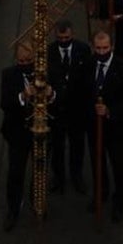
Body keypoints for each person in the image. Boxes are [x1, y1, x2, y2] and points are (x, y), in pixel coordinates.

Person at [0, 42, 52, 231]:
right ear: (16, 60)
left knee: (41, 169)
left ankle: (37, 201)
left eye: (29, 60)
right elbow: (4, 103)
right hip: (18, 132)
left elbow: (57, 97)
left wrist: (50, 93)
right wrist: (22, 96)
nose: (25, 63)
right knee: (15, 172)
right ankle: (13, 209)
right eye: (21, 60)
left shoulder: (45, 72)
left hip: (42, 131)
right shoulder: (8, 75)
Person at [87, 31, 123, 223]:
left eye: (105, 48)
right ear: (93, 47)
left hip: (116, 127)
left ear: (112, 47)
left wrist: (109, 110)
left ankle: (120, 200)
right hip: (93, 126)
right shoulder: (88, 65)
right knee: (97, 163)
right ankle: (101, 193)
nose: (101, 52)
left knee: (119, 164)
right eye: (98, 48)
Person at [47, 20, 91, 194]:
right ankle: (58, 177)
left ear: (72, 35)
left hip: (76, 108)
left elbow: (87, 78)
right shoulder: (49, 51)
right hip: (56, 108)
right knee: (57, 145)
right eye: (60, 37)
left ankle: (76, 175)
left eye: (67, 37)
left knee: (77, 144)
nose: (63, 40)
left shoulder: (83, 50)